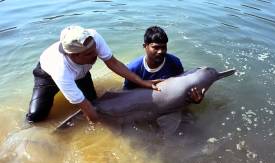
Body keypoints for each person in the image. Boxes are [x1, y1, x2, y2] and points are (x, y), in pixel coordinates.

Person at [26, 25, 161, 123]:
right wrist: (99, 129)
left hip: (81, 73)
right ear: (74, 55)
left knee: (95, 104)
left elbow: (113, 63)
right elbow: (85, 107)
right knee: (36, 117)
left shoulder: (93, 37)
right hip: (47, 76)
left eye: (94, 48)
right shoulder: (60, 70)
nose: (96, 54)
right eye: (90, 53)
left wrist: (143, 82)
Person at [123, 26, 205, 103]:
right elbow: (125, 97)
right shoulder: (132, 69)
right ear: (145, 46)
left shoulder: (174, 63)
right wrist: (143, 85)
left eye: (163, 47)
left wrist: (194, 99)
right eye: (155, 47)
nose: (160, 51)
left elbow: (182, 88)